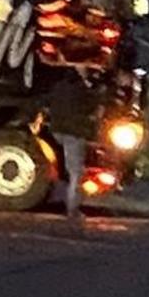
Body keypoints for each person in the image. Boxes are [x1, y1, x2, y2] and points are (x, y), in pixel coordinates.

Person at [44, 68, 100, 227]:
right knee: (76, 173)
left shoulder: (58, 87)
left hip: (58, 131)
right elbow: (93, 106)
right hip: (74, 133)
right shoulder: (82, 91)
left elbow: (48, 103)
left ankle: (63, 194)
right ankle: (72, 208)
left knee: (69, 167)